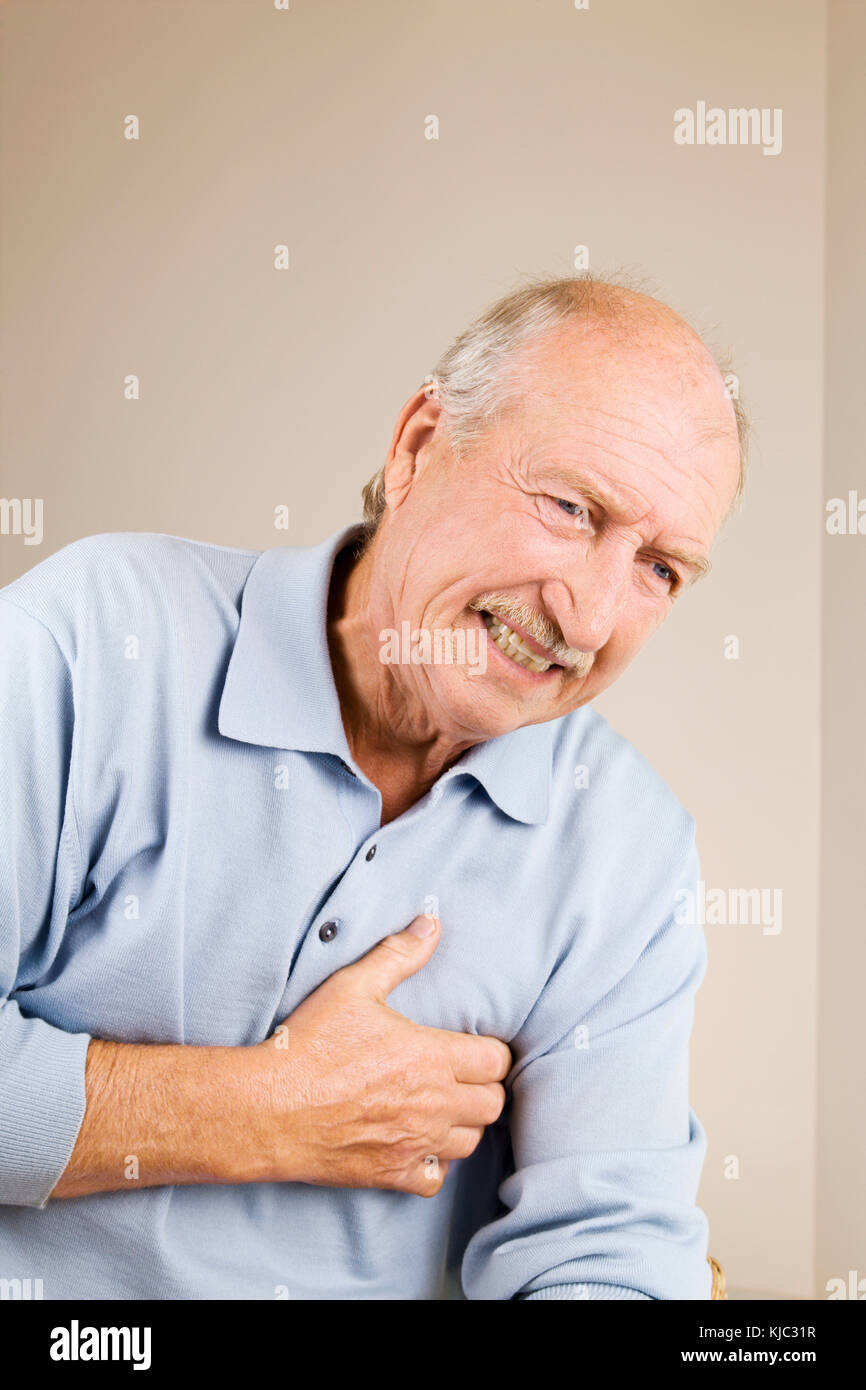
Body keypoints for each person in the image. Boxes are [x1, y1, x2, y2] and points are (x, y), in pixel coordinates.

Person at [0, 274, 745, 1299]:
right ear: (415, 445)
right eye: (571, 508)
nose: (586, 616)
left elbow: (605, 1252)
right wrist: (263, 1109)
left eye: (658, 567)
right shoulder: (88, 642)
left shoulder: (627, 846)